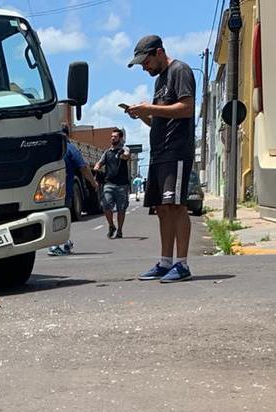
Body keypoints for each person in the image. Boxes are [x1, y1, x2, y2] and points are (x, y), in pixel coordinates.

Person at [125, 35, 196, 283]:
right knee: (162, 209)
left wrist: (150, 108)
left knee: (177, 206)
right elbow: (159, 120)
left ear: (158, 52)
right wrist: (142, 114)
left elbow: (187, 109)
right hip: (159, 154)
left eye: (145, 62)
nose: (144, 67)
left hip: (176, 151)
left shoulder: (180, 70)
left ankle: (182, 264)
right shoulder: (160, 82)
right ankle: (165, 262)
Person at [48, 125, 98, 256]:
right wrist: (93, 183)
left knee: (53, 217)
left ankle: (61, 243)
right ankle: (58, 245)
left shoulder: (49, 148)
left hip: (47, 192)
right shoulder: (70, 148)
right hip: (64, 191)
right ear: (68, 134)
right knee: (64, 218)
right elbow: (83, 167)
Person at [94, 128, 132, 239]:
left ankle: (119, 230)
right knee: (106, 205)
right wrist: (97, 166)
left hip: (122, 185)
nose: (113, 138)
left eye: (115, 136)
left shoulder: (124, 149)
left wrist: (122, 155)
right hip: (108, 184)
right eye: (112, 136)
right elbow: (100, 163)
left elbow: (127, 155)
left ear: (120, 138)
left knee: (121, 208)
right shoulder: (107, 152)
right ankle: (111, 226)